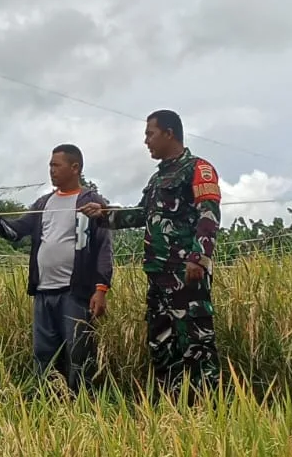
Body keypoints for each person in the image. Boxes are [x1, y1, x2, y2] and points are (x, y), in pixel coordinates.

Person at [79, 110, 222, 392]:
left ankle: (206, 409)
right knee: (161, 343)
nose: (146, 141)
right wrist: (102, 214)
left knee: (196, 343)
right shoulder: (157, 180)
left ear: (169, 133)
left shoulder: (197, 168)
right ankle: (169, 407)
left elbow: (209, 215)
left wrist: (199, 259)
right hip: (158, 277)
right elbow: (140, 215)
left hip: (186, 275)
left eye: (150, 134)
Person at [0, 144, 113, 393]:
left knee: (79, 352)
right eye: (50, 165)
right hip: (43, 291)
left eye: (56, 165)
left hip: (76, 293)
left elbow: (104, 248)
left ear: (75, 168)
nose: (51, 170)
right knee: (44, 352)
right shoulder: (44, 202)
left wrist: (101, 288)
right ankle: (48, 402)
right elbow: (17, 231)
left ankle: (82, 406)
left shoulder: (92, 203)